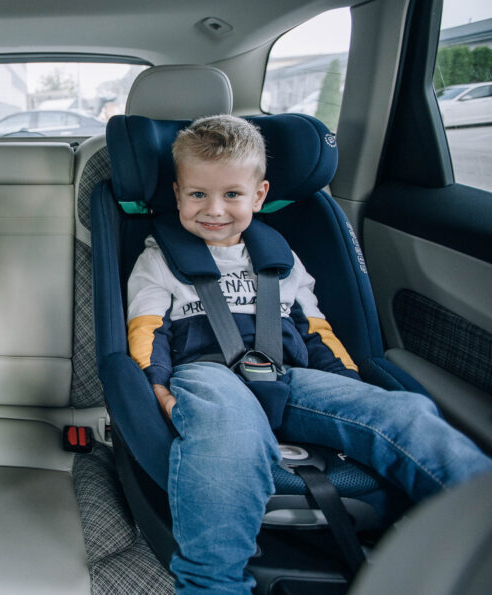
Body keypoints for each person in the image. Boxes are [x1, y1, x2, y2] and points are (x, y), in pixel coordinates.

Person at [125, 114, 492, 594]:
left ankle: (478, 534)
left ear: (259, 195)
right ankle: (212, 583)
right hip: (206, 374)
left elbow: (315, 329)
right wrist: (156, 388)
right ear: (177, 195)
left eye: (232, 194)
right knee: (231, 437)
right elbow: (146, 329)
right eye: (197, 194)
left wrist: (350, 386)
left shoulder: (281, 258)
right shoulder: (158, 258)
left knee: (403, 412)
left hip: (286, 373)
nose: (214, 209)